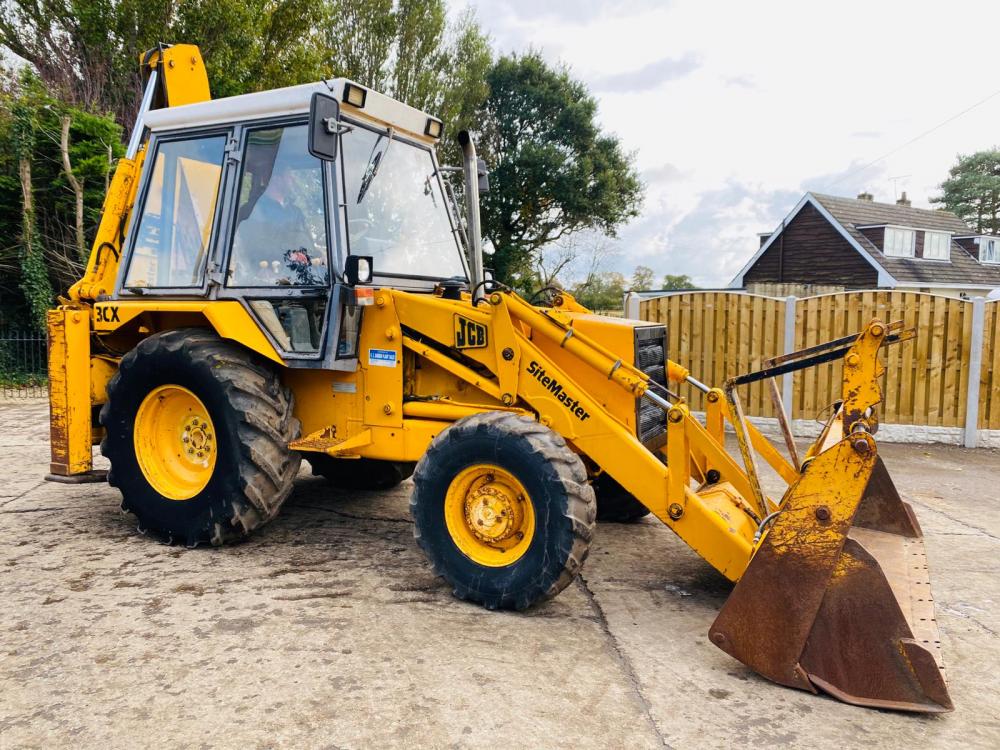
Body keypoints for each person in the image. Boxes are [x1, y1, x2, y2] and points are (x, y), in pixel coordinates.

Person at [230, 164, 319, 285]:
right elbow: (254, 245)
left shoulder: (295, 212)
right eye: (289, 176)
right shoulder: (252, 210)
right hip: (266, 282)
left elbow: (307, 243)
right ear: (276, 179)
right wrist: (289, 254)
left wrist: (312, 255)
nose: (293, 180)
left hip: (300, 280)